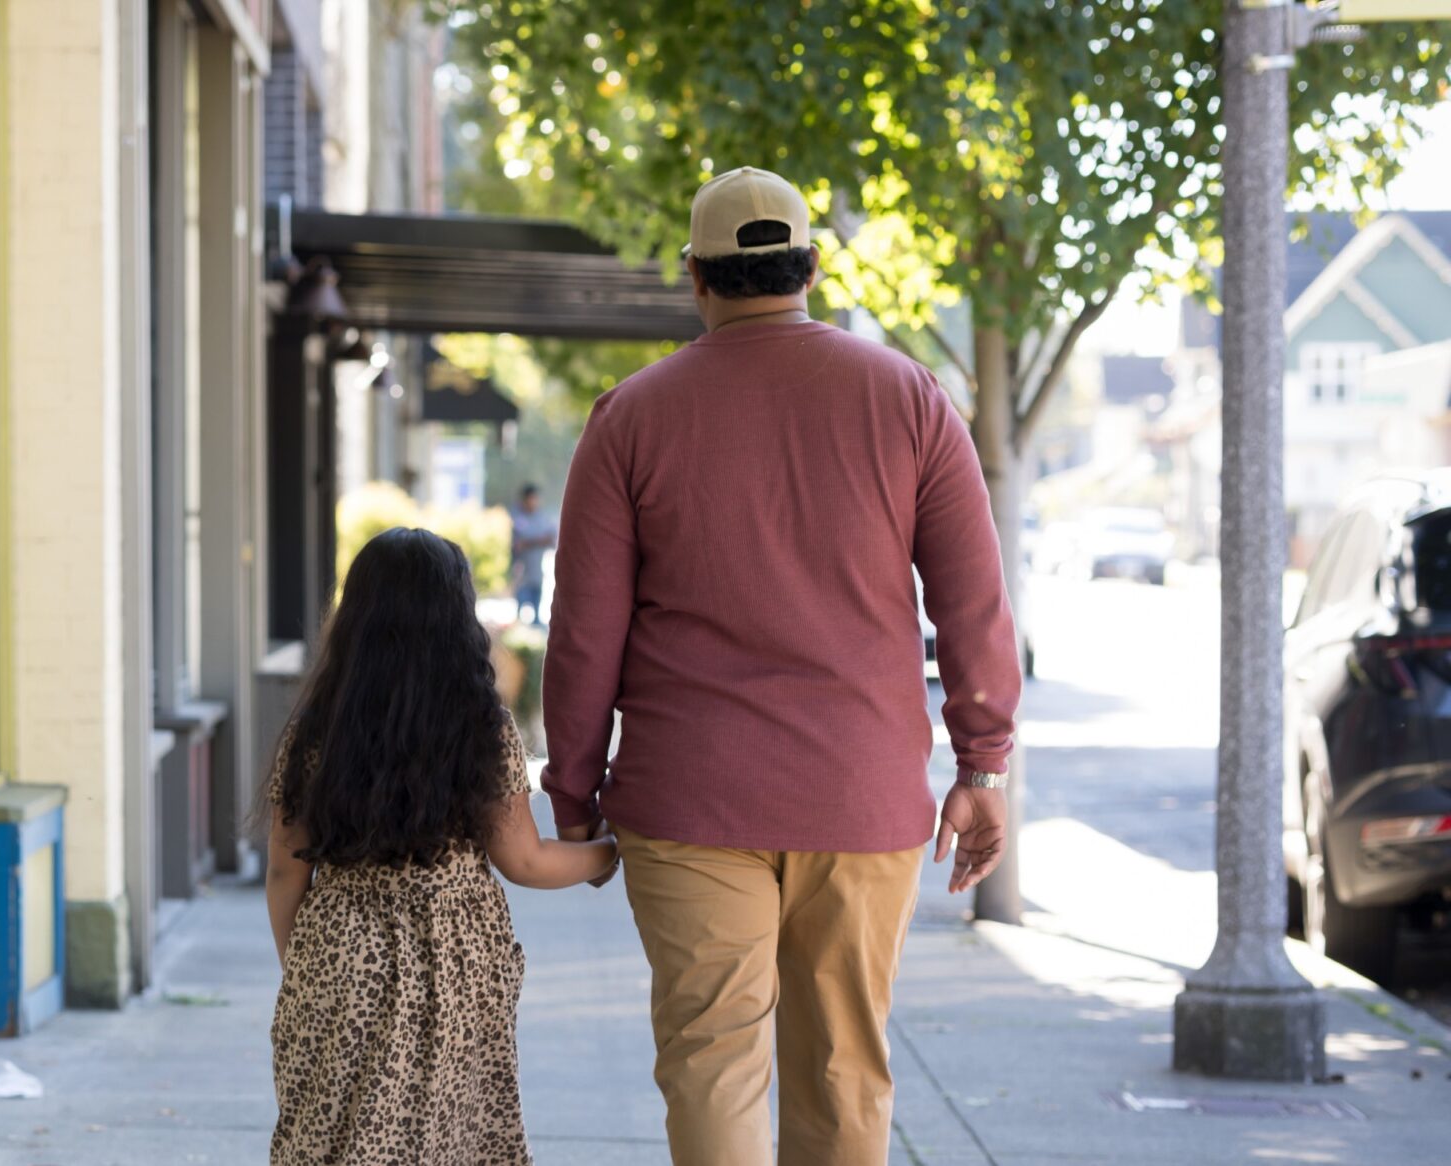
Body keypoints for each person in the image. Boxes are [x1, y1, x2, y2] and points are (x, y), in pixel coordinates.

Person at [541, 167, 1020, 1166]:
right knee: (846, 1067)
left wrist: (574, 791)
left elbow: (585, 628)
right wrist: (982, 765)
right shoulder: (908, 398)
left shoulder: (628, 417)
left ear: (695, 278)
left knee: (712, 1060)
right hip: (860, 791)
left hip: (689, 801)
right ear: (808, 267)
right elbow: (974, 602)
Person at [264, 527, 621, 1166]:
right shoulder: (481, 731)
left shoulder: (318, 728)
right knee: (449, 1143)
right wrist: (614, 852)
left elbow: (284, 876)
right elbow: (527, 862)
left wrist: (310, 970)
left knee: (327, 1142)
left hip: (335, 957)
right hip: (453, 968)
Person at [509, 484, 559, 626]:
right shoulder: (518, 517)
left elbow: (551, 539)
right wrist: (538, 540)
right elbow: (518, 544)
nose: (534, 502)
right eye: (531, 499)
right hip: (521, 572)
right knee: (520, 611)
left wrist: (530, 542)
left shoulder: (543, 517)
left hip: (537, 571)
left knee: (536, 614)